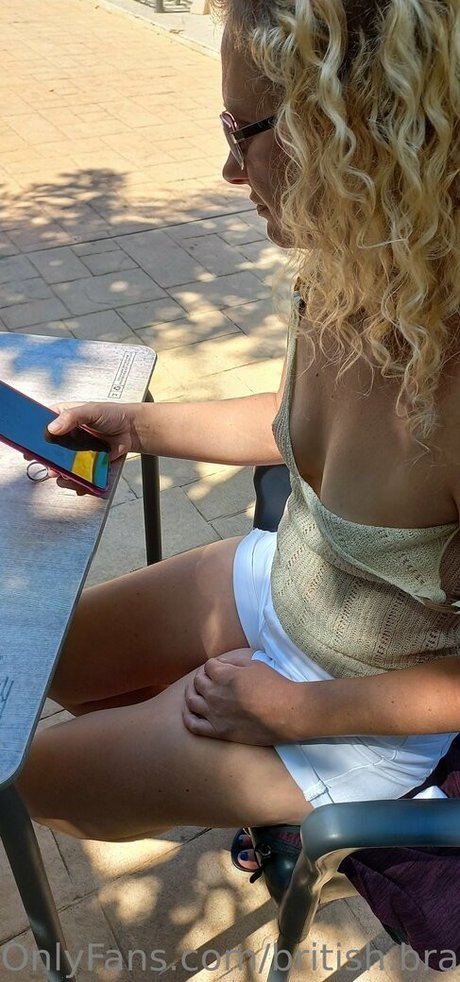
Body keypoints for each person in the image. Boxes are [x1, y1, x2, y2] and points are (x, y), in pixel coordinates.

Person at [17, 0, 460, 861]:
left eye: (240, 130)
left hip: (354, 715)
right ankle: (172, 767)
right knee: (42, 663)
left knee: (30, 777)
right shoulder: (352, 272)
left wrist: (294, 711)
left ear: (354, 133)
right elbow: (287, 421)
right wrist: (138, 425)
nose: (228, 169)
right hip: (282, 578)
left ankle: (235, 802)